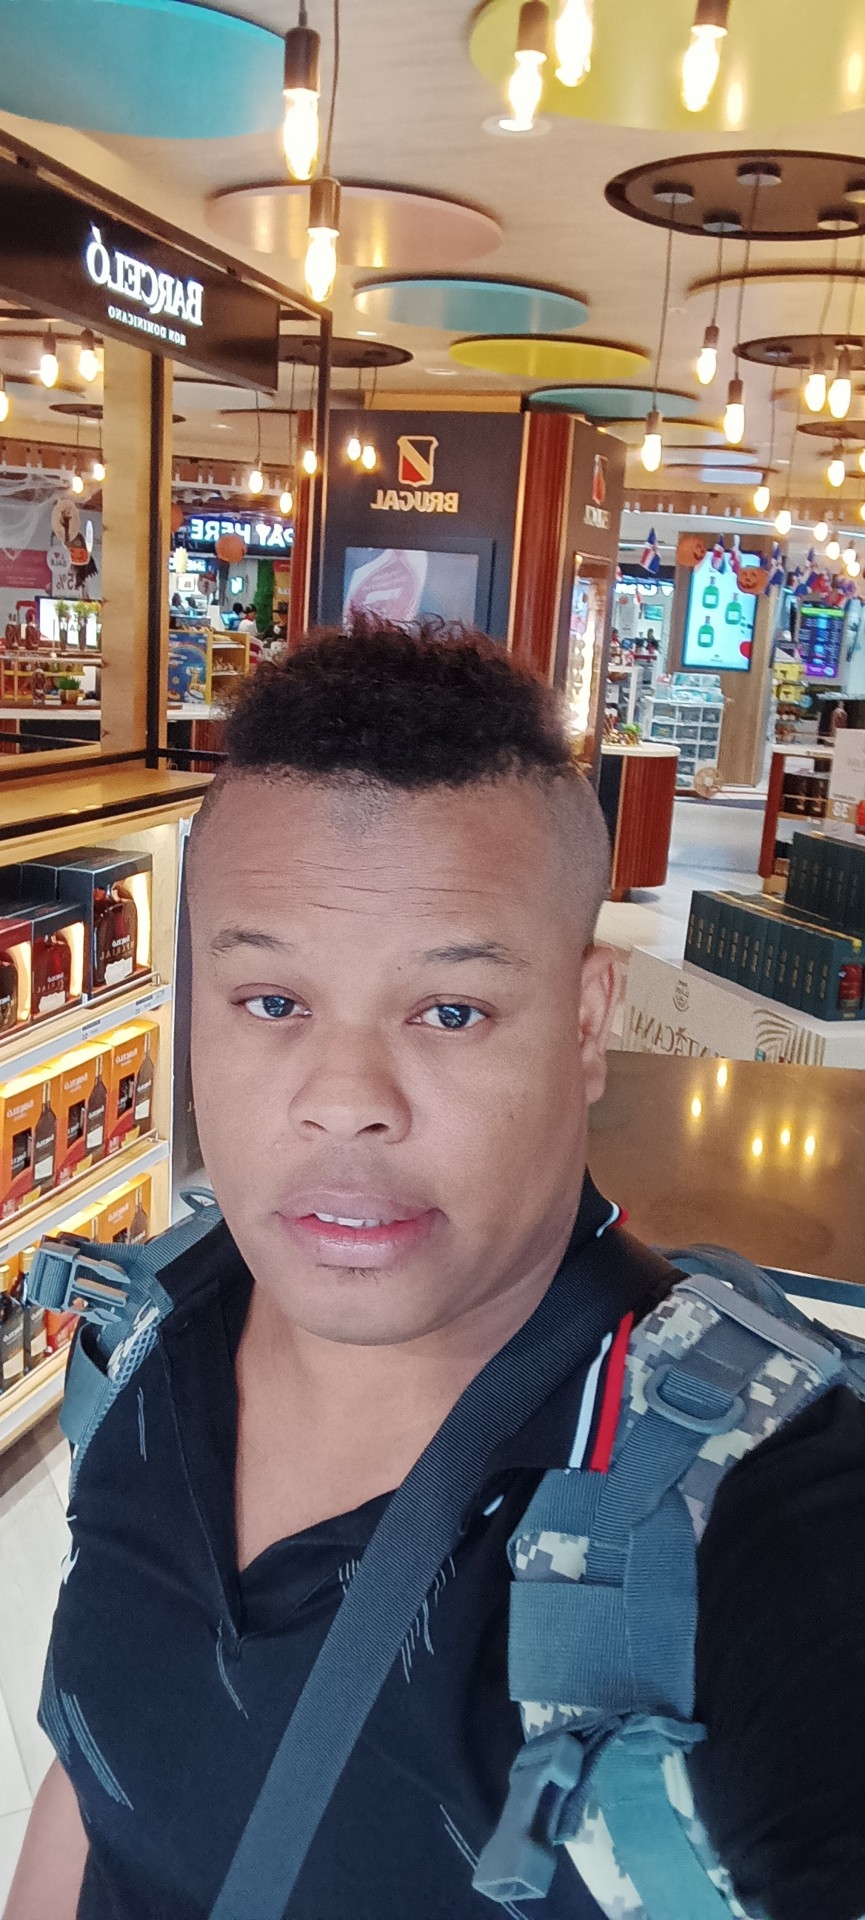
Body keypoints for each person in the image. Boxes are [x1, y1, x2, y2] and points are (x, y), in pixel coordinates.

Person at [7, 622, 865, 1920]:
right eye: (272, 1002)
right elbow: (99, 1771)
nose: (345, 1100)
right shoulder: (142, 1337)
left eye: (450, 1012)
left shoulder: (773, 1533)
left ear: (586, 1023)